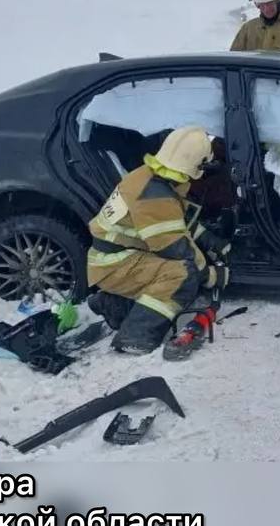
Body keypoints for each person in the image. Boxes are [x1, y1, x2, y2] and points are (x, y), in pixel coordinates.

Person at [85, 126, 231, 355]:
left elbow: (178, 222)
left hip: (116, 257)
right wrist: (212, 275)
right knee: (181, 274)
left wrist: (212, 242)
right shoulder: (153, 195)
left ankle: (114, 305)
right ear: (197, 165)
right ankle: (135, 337)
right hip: (114, 263)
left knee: (180, 271)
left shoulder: (152, 175)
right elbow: (178, 249)